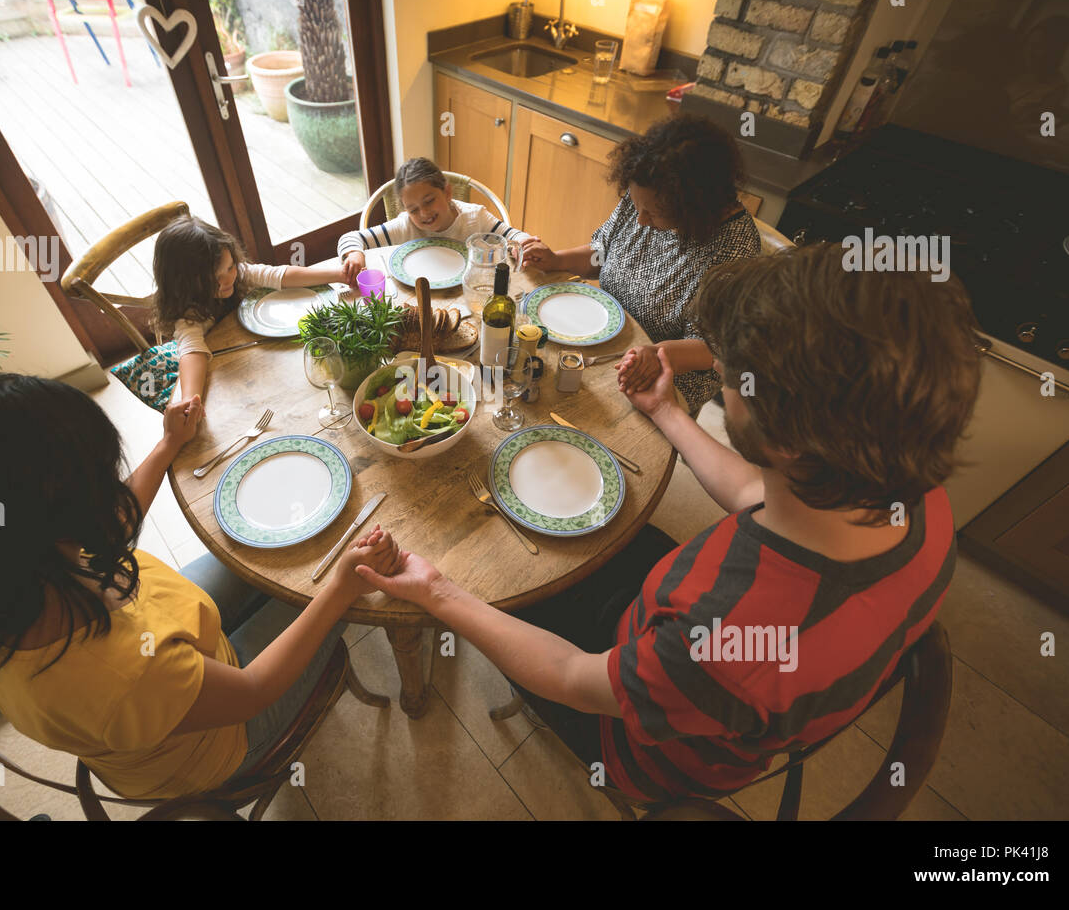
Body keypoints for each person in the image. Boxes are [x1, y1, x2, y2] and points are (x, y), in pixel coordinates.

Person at [355, 243, 982, 803]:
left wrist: (438, 593)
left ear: (788, 438)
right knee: (580, 540)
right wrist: (667, 412)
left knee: (505, 580)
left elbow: (572, 677)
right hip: (695, 662)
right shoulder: (912, 496)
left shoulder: (731, 645)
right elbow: (757, 495)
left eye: (734, 376)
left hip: (641, 744)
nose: (724, 379)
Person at [0, 373, 399, 800]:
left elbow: (108, 528)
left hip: (167, 643)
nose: (106, 486)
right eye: (94, 477)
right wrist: (338, 592)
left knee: (277, 548)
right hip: (222, 737)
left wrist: (168, 445)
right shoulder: (121, 672)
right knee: (322, 591)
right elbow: (253, 692)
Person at [521, 115, 761, 414]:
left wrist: (658, 354)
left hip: (663, 375)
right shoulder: (649, 192)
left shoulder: (735, 250)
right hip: (607, 344)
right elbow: (601, 252)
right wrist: (557, 259)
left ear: (694, 206)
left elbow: (713, 347)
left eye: (653, 213)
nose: (640, 221)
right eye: (636, 207)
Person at [152, 215, 356, 404]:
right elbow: (191, 350)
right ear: (185, 284)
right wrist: (190, 399)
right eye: (215, 279)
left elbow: (280, 276)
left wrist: (339, 274)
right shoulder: (189, 313)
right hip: (228, 379)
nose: (228, 278)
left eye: (230, 267)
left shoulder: (239, 274)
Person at [338, 157, 532, 280]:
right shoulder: (405, 226)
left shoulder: (475, 218)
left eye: (429, 201)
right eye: (413, 209)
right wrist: (355, 254)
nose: (423, 214)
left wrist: (524, 243)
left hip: (467, 294)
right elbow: (350, 238)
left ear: (447, 192)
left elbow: (513, 235)